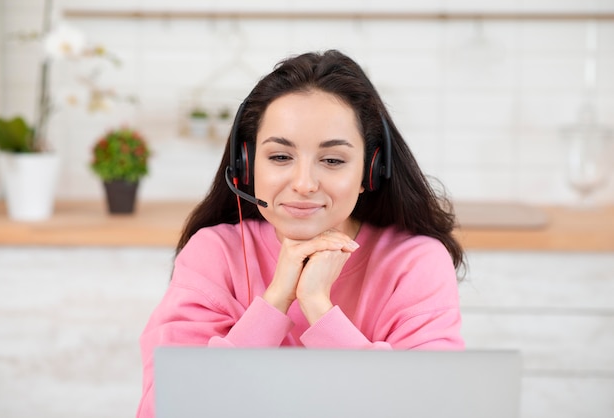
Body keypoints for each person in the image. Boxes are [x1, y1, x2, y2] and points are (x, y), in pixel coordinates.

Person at [136, 49, 465, 417]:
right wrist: (276, 300)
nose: (305, 184)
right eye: (280, 157)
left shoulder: (414, 261)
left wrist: (318, 306)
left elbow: (431, 408)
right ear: (246, 166)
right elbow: (167, 408)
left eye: (333, 160)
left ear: (369, 173)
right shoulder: (215, 253)